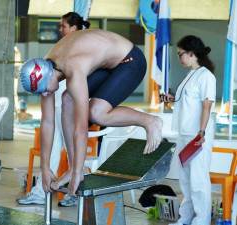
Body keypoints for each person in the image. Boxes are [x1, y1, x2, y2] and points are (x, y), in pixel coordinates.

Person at [19, 29, 163, 197]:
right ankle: (74, 167)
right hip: (105, 62)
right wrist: (45, 168)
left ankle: (150, 121)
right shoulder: (45, 67)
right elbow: (47, 122)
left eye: (43, 90)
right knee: (67, 100)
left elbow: (81, 129)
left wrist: (76, 174)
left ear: (50, 77)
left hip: (130, 60)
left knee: (96, 113)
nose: (44, 95)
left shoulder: (73, 69)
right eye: (39, 93)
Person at [17, 12, 90, 205]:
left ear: (74, 28)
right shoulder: (59, 48)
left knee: (74, 149)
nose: (60, 29)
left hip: (71, 106)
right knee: (53, 148)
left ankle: (76, 191)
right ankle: (41, 192)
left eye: (63, 26)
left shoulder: (78, 50)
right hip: (56, 104)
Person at [161, 35, 216, 225]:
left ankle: (201, 221)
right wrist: (171, 98)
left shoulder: (206, 76)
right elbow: (187, 102)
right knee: (185, 181)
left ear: (191, 53)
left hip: (197, 136)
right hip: (184, 134)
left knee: (198, 181)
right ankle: (185, 219)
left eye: (180, 54)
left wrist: (201, 133)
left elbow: (206, 106)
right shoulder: (189, 75)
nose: (179, 58)